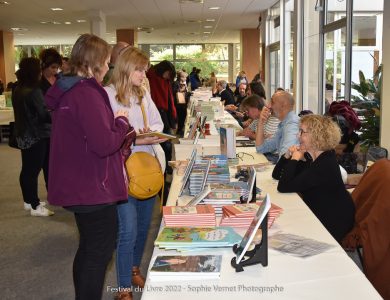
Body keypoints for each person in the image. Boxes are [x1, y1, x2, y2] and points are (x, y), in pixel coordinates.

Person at [45, 34, 135, 300]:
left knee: (89, 249)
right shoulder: (85, 93)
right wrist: (120, 122)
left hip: (82, 182)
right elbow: (104, 142)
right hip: (93, 186)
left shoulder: (71, 91)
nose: (108, 68)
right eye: (106, 62)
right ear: (95, 62)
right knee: (97, 251)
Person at [105, 46, 167, 300]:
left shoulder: (143, 95)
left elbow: (158, 123)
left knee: (143, 227)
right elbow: (107, 134)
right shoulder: (108, 95)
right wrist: (135, 138)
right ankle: (123, 289)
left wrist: (143, 133)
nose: (144, 75)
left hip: (147, 168)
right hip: (122, 172)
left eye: (145, 70)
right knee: (127, 230)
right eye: (140, 70)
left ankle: (133, 269)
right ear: (127, 69)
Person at [272, 114, 355, 243]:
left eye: (302, 132)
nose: (297, 136)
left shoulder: (324, 164)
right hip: (319, 213)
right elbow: (277, 175)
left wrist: (294, 159)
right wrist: (287, 156)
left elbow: (283, 187)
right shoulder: (314, 159)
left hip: (333, 221)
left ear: (316, 136)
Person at [11, 57, 54, 216]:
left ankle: (28, 201)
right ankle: (35, 206)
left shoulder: (18, 88)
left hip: (23, 134)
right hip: (37, 135)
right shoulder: (34, 90)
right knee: (33, 171)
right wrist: (54, 113)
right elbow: (43, 115)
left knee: (27, 170)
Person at [255, 91, 299, 161]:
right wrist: (261, 122)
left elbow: (285, 159)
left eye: (272, 102)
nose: (268, 106)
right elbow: (260, 148)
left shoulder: (292, 125)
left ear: (283, 105)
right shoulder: (284, 124)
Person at [173, 71, 189, 136]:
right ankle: (179, 130)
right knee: (181, 117)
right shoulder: (176, 83)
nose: (185, 79)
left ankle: (180, 130)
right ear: (181, 77)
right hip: (179, 104)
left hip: (182, 104)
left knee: (182, 117)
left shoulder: (181, 83)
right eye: (185, 77)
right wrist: (182, 90)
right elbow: (174, 92)